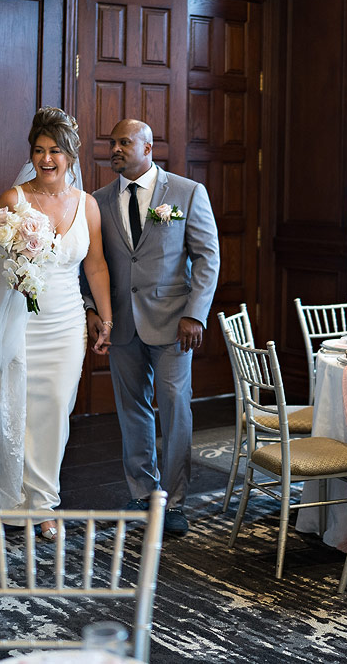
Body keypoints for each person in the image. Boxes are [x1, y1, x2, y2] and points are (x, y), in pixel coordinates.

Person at [0, 107, 112, 538]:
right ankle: (17, 504)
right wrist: (16, 265)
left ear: (70, 154)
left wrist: (105, 317)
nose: (46, 159)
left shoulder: (86, 205)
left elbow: (97, 266)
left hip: (67, 324)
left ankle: (45, 501)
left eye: (55, 151)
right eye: (38, 150)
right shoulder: (12, 200)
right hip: (20, 323)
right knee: (16, 410)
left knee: (55, 412)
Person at [85, 118, 220, 536]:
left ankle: (175, 502)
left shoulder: (185, 192)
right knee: (132, 411)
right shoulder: (98, 200)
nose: (117, 148)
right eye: (113, 142)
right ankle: (143, 493)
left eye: (125, 142)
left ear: (148, 148)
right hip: (121, 324)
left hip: (173, 324)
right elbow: (91, 263)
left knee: (176, 409)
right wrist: (93, 311)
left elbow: (207, 258)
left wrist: (195, 314)